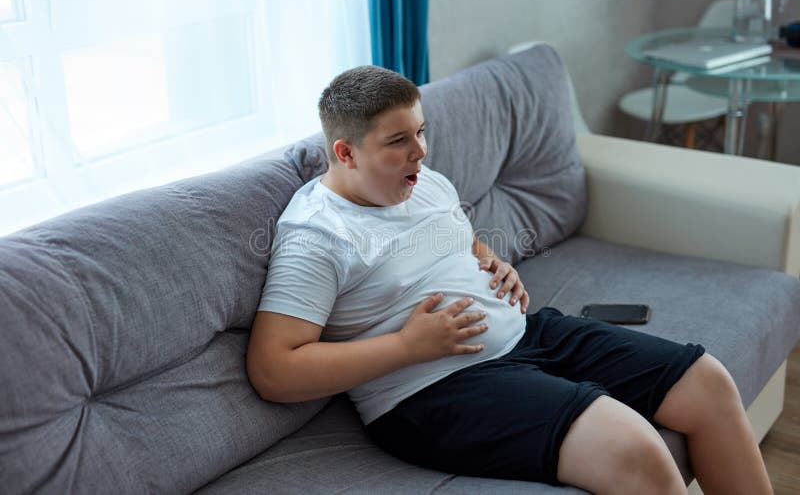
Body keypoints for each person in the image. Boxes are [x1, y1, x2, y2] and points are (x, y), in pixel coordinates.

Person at [246, 65, 773, 495]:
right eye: (399, 141)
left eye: (421, 132)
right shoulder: (316, 235)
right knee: (635, 450)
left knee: (707, 382)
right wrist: (406, 346)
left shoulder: (418, 182)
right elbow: (275, 369)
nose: (421, 152)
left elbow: (456, 238)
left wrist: (490, 260)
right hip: (431, 392)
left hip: (524, 333)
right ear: (345, 152)